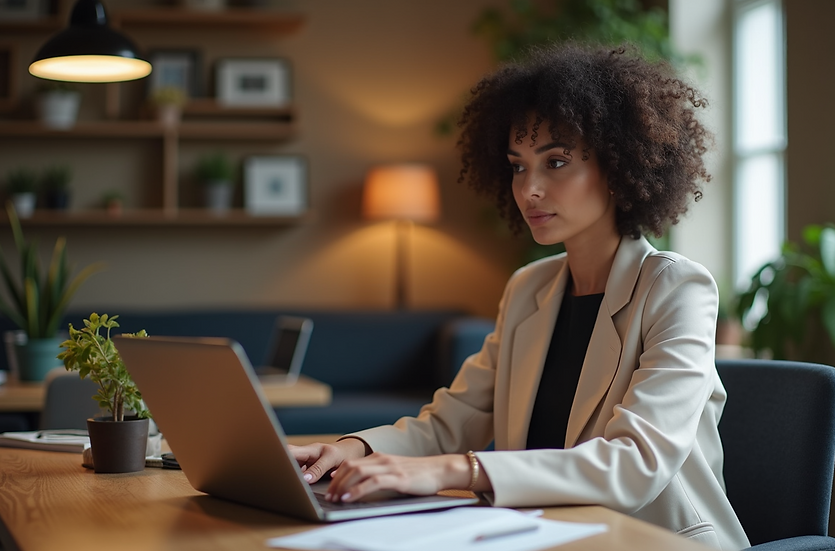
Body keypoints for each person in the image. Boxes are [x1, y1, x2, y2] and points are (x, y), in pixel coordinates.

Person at [291, 43, 751, 550]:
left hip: (649, 540)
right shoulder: (528, 288)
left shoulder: (676, 289)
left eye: (556, 162)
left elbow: (635, 464)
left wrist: (452, 471)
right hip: (541, 536)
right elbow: (451, 422)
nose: (529, 189)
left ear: (620, 168)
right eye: (517, 166)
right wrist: (352, 449)